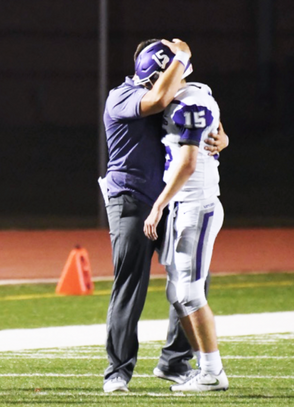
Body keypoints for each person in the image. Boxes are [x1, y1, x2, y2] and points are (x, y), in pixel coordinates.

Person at [98, 38, 228, 393]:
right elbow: (157, 100)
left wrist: (222, 138)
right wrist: (183, 57)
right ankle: (118, 372)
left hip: (170, 202)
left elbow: (197, 120)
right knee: (130, 285)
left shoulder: (179, 95)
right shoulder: (122, 96)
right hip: (132, 200)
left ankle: (174, 361)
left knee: (187, 284)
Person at [143, 48, 229, 391]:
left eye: (155, 78)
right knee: (177, 293)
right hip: (184, 203)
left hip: (196, 203)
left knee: (191, 292)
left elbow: (190, 160)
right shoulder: (189, 96)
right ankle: (204, 366)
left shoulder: (191, 102)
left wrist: (158, 205)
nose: (154, 87)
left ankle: (212, 371)